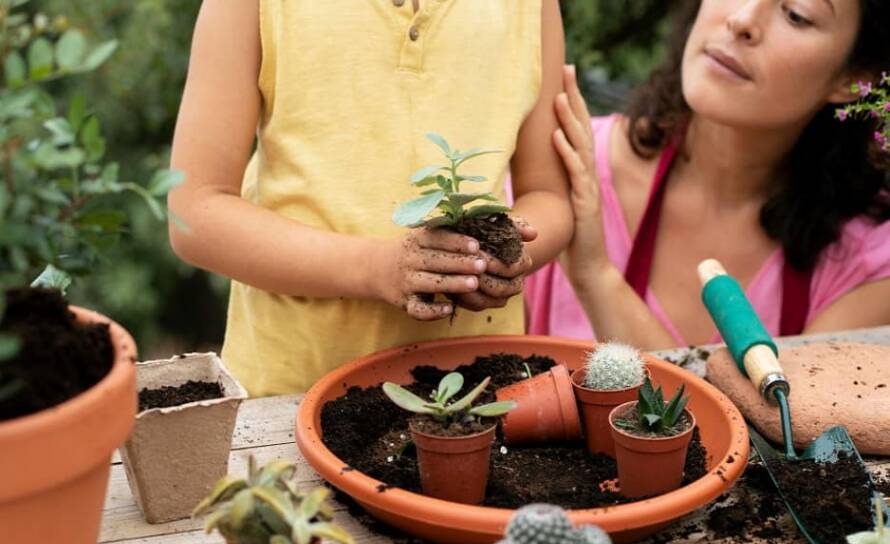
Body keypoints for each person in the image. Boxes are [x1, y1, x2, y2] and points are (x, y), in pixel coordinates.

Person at [169, 0, 573, 395]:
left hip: (480, 392)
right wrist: (377, 269)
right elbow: (196, 210)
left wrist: (499, 258)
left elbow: (547, 197)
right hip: (288, 397)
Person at [527, 0, 890, 349]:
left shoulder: (871, 260)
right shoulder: (553, 176)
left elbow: (789, 414)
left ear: (855, 78)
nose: (742, 19)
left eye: (797, 15)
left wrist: (595, 277)